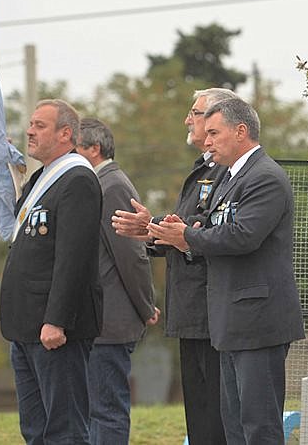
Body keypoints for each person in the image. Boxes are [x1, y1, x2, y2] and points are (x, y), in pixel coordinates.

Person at [147, 98, 305, 444]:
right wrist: (170, 228)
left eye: (215, 133)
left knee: (259, 426)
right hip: (230, 321)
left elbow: (243, 235)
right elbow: (209, 224)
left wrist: (186, 236)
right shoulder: (231, 178)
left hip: (258, 321)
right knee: (233, 428)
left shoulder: (265, 177)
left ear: (241, 131)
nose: (207, 141)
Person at [111, 88, 238, 445]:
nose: (188, 120)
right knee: (199, 416)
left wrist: (163, 230)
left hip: (214, 309)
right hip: (191, 309)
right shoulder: (202, 168)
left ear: (220, 119)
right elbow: (181, 231)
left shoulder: (231, 173)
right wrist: (150, 230)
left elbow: (205, 233)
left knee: (218, 417)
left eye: (195, 113)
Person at [0, 99, 102, 444]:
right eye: (30, 124)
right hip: (27, 324)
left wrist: (56, 319)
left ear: (65, 133)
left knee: (65, 429)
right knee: (36, 429)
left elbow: (74, 257)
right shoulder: (43, 178)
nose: (29, 131)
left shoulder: (77, 179)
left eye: (39, 126)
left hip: (55, 327)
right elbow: (15, 225)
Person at [76, 117, 160, 445]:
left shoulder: (112, 186)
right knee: (94, 409)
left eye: (76, 149)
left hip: (111, 321)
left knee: (107, 410)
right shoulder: (96, 183)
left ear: (94, 149)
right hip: (96, 319)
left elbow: (132, 255)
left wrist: (145, 305)